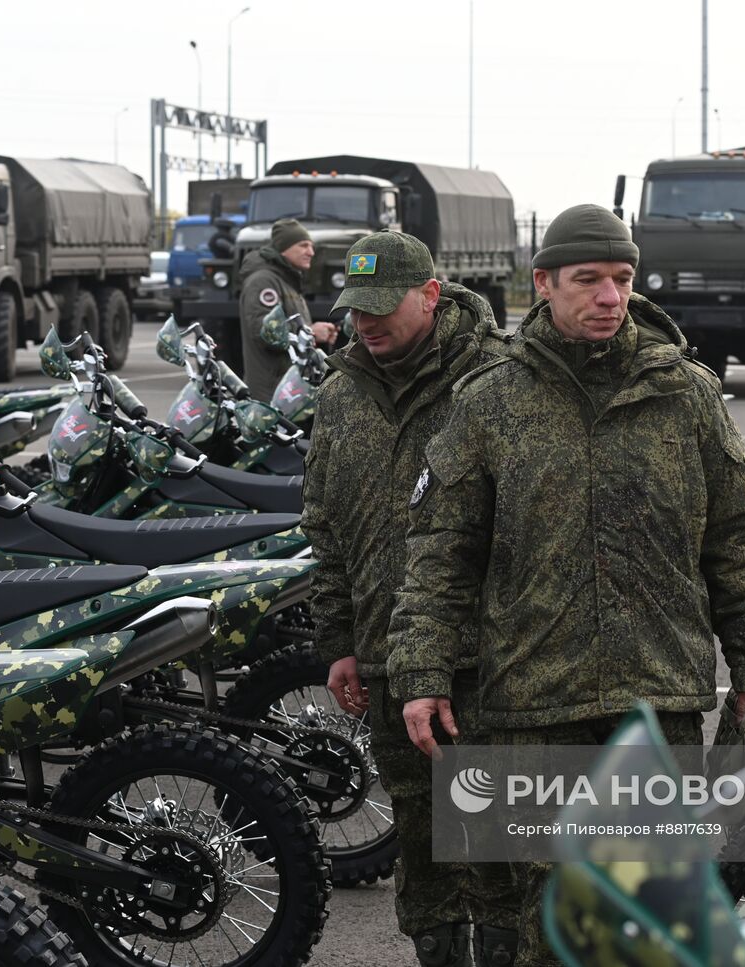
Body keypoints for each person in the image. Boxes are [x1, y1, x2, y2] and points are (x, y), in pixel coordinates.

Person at [385, 203, 745, 966]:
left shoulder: (686, 393)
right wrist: (423, 670)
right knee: (555, 921)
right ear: (543, 283)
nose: (609, 296)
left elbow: (736, 540)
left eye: (622, 278)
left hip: (657, 698)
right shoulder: (490, 399)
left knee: (658, 909)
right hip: (535, 704)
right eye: (589, 280)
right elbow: (440, 549)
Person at [303, 231, 518, 967]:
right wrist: (338, 641)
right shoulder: (340, 392)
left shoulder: (494, 379)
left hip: (485, 657)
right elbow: (325, 528)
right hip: (388, 656)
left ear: (430, 294)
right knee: (422, 838)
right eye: (354, 310)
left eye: (381, 308)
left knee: (492, 835)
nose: (365, 323)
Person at [238, 217, 337, 400]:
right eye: (303, 245)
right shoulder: (263, 281)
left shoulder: (287, 281)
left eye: (311, 246)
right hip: (272, 394)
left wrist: (315, 334)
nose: (311, 252)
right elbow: (262, 330)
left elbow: (290, 328)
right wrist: (311, 332)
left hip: (291, 391)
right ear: (284, 248)